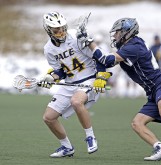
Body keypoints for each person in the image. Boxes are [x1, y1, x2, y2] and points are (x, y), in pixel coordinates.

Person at [76, 17, 161, 161]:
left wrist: (90, 43)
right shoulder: (126, 48)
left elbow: (107, 59)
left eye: (117, 32)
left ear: (126, 32)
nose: (115, 35)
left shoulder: (134, 46)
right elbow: (105, 62)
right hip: (152, 92)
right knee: (137, 123)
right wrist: (100, 78)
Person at [39, 11, 109, 158]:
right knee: (49, 117)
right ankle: (66, 147)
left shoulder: (76, 36)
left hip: (88, 79)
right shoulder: (48, 49)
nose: (61, 32)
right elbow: (61, 70)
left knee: (76, 102)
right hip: (70, 83)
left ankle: (90, 137)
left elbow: (99, 58)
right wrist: (51, 77)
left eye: (63, 28)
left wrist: (100, 77)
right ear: (48, 30)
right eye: (56, 30)